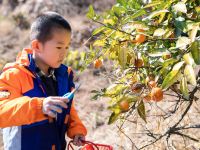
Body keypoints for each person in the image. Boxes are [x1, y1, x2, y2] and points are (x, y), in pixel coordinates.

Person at [0, 11, 87, 150]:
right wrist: (40, 106)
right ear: (37, 46)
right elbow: (2, 111)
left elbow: (68, 108)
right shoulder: (15, 75)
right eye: (59, 47)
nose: (63, 53)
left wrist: (76, 130)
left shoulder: (62, 76)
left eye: (66, 47)